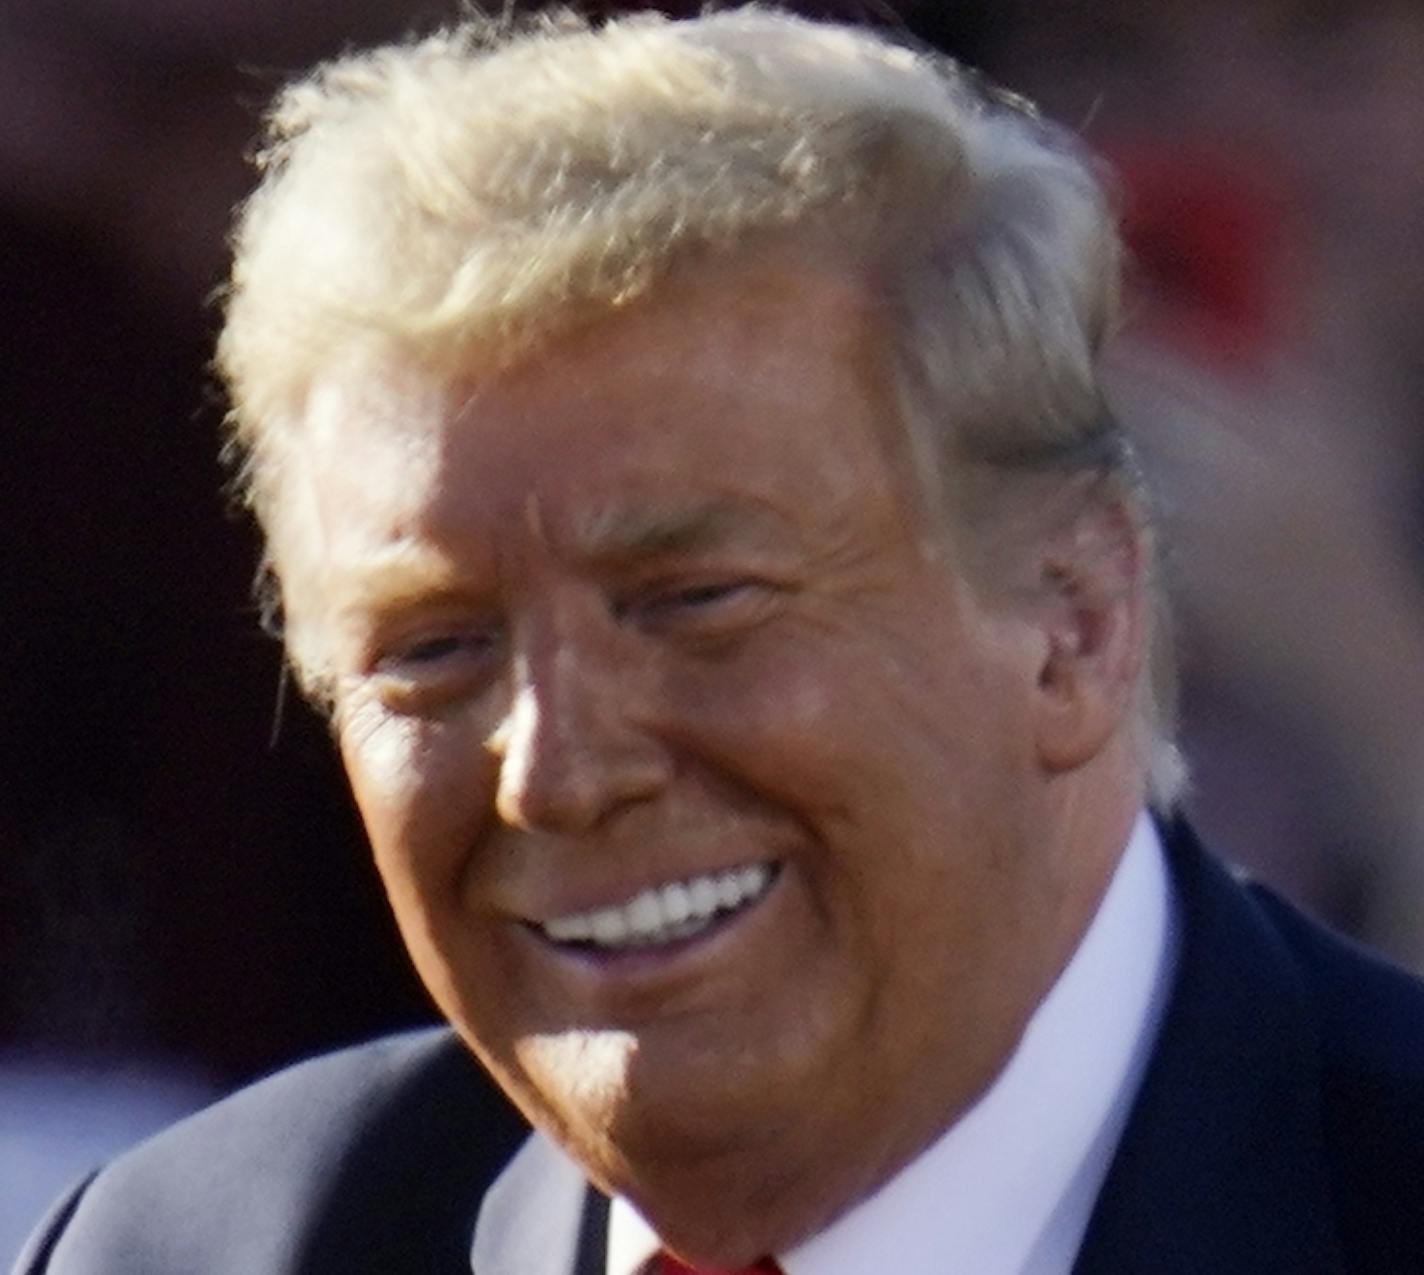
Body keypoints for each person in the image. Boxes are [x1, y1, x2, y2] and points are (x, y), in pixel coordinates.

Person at [16, 8, 1424, 1273]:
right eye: (434, 650)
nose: (554, 771)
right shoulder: (191, 1249)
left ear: (1074, 621)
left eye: (694, 603)